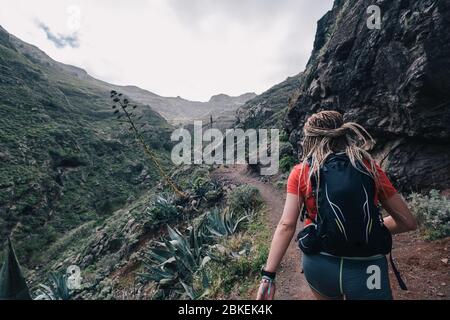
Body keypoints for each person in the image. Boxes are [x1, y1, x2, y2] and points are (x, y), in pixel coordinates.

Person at [257, 111, 417, 300]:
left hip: (320, 265)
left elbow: (286, 226)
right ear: (343, 133)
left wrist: (268, 277)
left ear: (310, 139)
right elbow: (408, 222)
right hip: (367, 268)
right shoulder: (368, 166)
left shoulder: (302, 172)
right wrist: (363, 229)